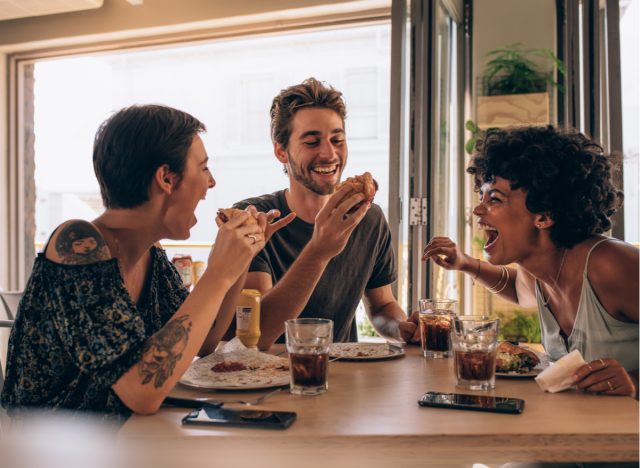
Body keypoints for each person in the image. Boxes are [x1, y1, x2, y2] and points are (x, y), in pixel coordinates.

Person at [0, 104, 291, 419]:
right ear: (166, 178)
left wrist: (241, 259)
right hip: (46, 450)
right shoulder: (76, 245)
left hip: (120, 440)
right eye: (204, 168)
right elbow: (141, 391)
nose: (211, 183)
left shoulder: (150, 255)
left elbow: (204, 341)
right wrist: (217, 273)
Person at [423, 125, 638, 398]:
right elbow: (516, 289)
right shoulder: (538, 272)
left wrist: (634, 381)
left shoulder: (611, 265)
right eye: (481, 196)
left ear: (544, 216)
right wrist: (465, 263)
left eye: (495, 199)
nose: (478, 209)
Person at [232, 77, 419, 349]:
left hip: (340, 377)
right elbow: (256, 332)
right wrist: (320, 248)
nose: (329, 154)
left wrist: (402, 328)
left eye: (337, 139)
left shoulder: (369, 218)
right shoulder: (253, 219)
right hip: (265, 378)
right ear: (281, 151)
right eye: (312, 142)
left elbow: (382, 306)